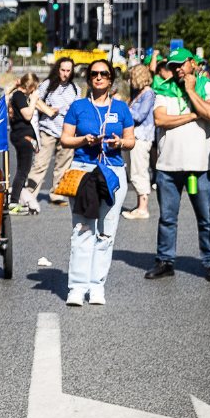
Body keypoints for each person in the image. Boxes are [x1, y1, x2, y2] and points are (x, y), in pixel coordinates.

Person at [144, 48, 210, 281]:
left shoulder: (209, 88)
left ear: (191, 63)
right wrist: (191, 116)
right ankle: (165, 260)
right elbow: (160, 119)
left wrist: (190, 91)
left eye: (182, 64)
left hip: (197, 167)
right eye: (173, 65)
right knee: (167, 218)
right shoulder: (164, 88)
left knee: (206, 217)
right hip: (168, 167)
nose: (178, 68)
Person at [60, 60, 135, 306]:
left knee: (106, 232)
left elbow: (131, 141)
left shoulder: (122, 108)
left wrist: (119, 144)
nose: (99, 77)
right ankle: (77, 288)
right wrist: (84, 139)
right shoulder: (78, 106)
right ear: (88, 79)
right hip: (83, 171)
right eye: (94, 74)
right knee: (82, 229)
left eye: (104, 74)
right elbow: (65, 140)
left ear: (111, 79)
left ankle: (97, 286)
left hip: (113, 172)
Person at [25, 57, 80, 207]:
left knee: (63, 165)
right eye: (63, 70)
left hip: (67, 132)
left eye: (68, 71)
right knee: (40, 164)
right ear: (57, 69)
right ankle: (29, 195)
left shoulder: (75, 88)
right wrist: (48, 109)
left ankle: (57, 194)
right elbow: (34, 101)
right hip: (47, 130)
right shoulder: (47, 85)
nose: (65, 74)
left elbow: (79, 109)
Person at [121, 64, 156, 219]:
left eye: (131, 77)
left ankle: (143, 208)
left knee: (139, 171)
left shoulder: (148, 93)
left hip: (142, 137)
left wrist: (124, 108)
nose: (129, 80)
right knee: (132, 170)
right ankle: (140, 205)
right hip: (134, 136)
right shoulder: (138, 93)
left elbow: (140, 115)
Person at [7, 73, 42, 215]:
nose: (34, 91)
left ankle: (15, 200)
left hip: (20, 135)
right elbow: (27, 114)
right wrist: (33, 100)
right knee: (22, 171)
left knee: (23, 171)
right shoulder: (19, 96)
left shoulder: (16, 95)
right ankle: (14, 202)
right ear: (28, 86)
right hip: (23, 136)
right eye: (33, 88)